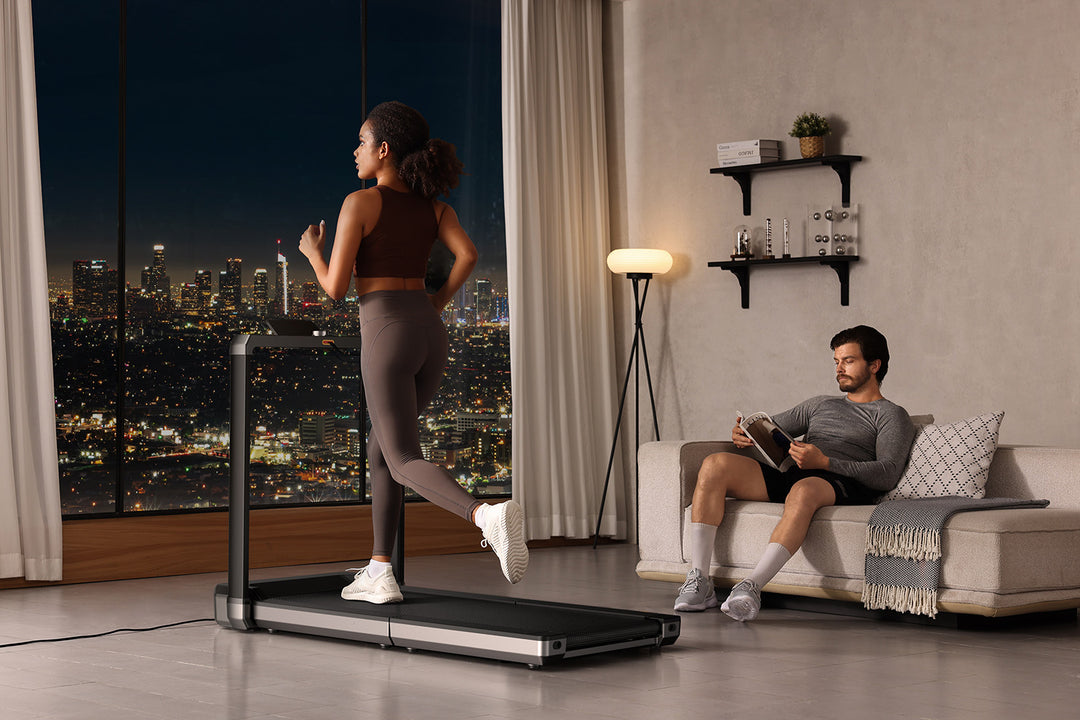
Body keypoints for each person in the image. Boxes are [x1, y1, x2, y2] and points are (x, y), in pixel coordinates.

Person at [299, 101, 527, 604]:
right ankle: (380, 570)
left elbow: (334, 288)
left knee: (401, 457)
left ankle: (484, 516)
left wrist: (313, 253)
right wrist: (438, 301)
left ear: (384, 149)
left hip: (386, 331)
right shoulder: (435, 208)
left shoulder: (360, 203)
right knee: (382, 449)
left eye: (362, 141)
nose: (355, 151)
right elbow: (468, 254)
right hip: (429, 333)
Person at [674, 325, 914, 621]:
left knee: (804, 490)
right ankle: (700, 580)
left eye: (849, 361)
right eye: (836, 361)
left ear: (874, 365)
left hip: (840, 482)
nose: (839, 369)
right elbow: (768, 427)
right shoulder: (819, 404)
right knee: (715, 464)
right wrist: (744, 434)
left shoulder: (891, 415)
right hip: (798, 473)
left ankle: (751, 587)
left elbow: (887, 473)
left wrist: (825, 462)